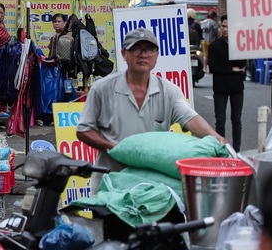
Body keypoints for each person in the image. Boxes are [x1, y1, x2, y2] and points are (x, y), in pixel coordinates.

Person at [76, 28, 225, 179]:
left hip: (152, 186)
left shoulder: (169, 91)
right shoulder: (102, 89)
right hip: (110, 182)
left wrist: (215, 137)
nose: (143, 54)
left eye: (149, 49)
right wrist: (116, 149)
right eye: (136, 48)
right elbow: (83, 130)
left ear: (157, 55)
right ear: (123, 54)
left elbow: (190, 119)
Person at [207, 15, 244, 151]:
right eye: (223, 26)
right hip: (220, 88)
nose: (226, 29)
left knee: (237, 120)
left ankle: (237, 150)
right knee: (220, 120)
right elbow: (213, 67)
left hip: (237, 88)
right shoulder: (214, 46)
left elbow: (242, 64)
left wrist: (232, 69)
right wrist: (231, 69)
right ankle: (221, 148)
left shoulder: (239, 45)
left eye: (228, 26)